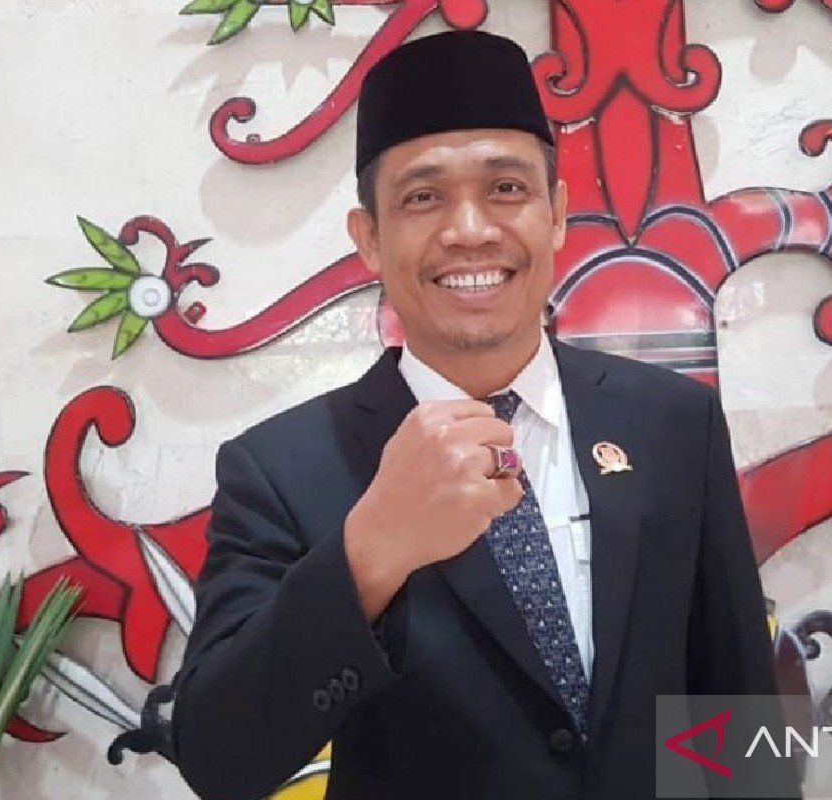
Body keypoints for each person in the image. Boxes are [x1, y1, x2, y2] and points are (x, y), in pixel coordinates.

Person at [171, 28, 796, 800]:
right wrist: (370, 552)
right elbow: (219, 758)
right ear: (369, 239)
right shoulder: (283, 469)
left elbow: (734, 704)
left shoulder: (671, 423)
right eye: (423, 197)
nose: (470, 230)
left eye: (506, 188)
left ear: (557, 214)